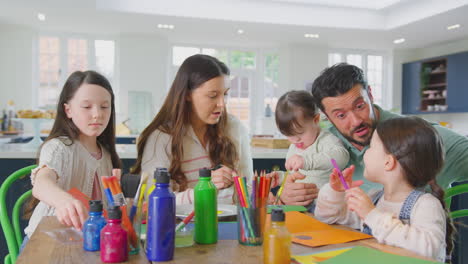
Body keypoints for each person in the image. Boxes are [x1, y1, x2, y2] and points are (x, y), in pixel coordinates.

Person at [315, 117, 454, 262]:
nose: (365, 152)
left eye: (371, 147)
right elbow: (327, 218)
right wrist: (335, 191)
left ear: (388, 162)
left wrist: (372, 215)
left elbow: (428, 250)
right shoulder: (375, 199)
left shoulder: (426, 205)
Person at [132, 54, 252, 205]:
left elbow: (249, 190)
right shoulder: (161, 138)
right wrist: (205, 188)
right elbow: (153, 203)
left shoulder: (234, 128)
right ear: (187, 94)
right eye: (213, 95)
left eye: (225, 94)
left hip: (231, 224)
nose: (222, 104)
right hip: (182, 227)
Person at [23, 71, 120, 242]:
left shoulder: (105, 154)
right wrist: (63, 201)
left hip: (84, 240)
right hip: (47, 240)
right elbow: (41, 183)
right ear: (68, 110)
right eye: (87, 107)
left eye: (105, 106)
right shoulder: (59, 147)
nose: (97, 114)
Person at [274, 90, 349, 189]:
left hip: (324, 202)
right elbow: (297, 176)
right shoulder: (295, 147)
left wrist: (307, 161)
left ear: (316, 120)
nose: (295, 139)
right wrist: (280, 178)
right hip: (300, 202)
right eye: (289, 135)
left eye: (300, 133)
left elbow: (342, 158)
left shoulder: (326, 139)